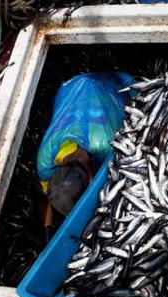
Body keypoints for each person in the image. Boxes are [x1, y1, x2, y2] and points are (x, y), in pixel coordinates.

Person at [36, 72, 135, 227]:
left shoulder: (106, 145)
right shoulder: (44, 163)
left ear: (91, 179)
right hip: (68, 87)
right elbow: (48, 196)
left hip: (116, 84)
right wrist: (47, 231)